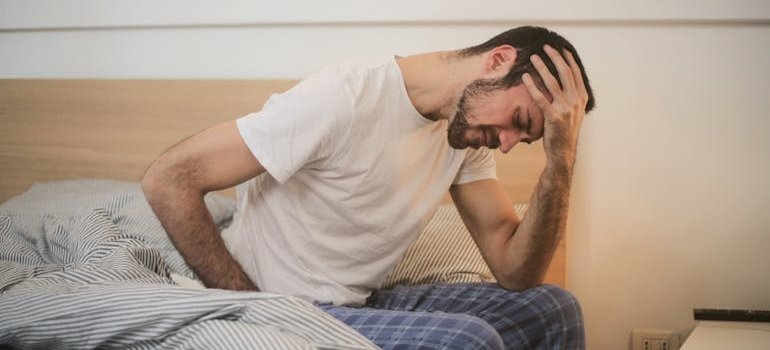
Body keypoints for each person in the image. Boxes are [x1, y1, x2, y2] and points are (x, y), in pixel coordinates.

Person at [142, 25, 596, 349]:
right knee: (469, 342)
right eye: (518, 122)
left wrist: (561, 158)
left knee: (552, 308)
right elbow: (169, 178)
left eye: (528, 139)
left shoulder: (465, 135)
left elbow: (517, 272)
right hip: (283, 303)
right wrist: (251, 305)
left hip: (356, 302)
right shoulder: (343, 99)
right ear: (498, 60)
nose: (509, 144)